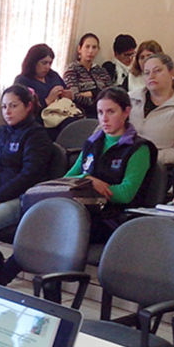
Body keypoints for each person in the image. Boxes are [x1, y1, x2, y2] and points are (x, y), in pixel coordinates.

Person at [63, 87, 157, 242]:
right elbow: (67, 180)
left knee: (62, 227)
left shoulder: (139, 148)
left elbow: (125, 194)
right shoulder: (92, 143)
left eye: (111, 112)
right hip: (86, 209)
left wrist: (86, 186)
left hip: (117, 218)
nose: (104, 119)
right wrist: (88, 180)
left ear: (126, 112)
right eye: (100, 112)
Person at [0, 85, 52, 249]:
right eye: (4, 107)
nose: (7, 111)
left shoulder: (36, 135)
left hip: (20, 197)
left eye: (13, 106)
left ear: (28, 106)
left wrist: (0, 196)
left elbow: (30, 174)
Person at [129, 53, 174, 166]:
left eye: (157, 71)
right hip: (122, 160)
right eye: (146, 73)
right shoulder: (130, 99)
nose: (151, 76)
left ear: (171, 73)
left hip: (158, 166)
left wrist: (144, 157)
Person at [62, 32, 112, 115]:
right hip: (82, 112)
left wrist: (90, 94)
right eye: (87, 47)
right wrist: (95, 94)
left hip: (105, 111)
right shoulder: (72, 69)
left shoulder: (101, 71)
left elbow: (111, 93)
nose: (91, 51)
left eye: (94, 47)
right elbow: (74, 97)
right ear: (79, 49)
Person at [14, 43, 70, 108]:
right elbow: (22, 108)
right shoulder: (22, 80)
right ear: (33, 62)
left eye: (50, 63)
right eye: (44, 63)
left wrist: (68, 96)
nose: (47, 67)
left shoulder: (53, 75)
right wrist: (47, 100)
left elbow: (66, 90)